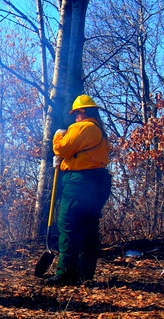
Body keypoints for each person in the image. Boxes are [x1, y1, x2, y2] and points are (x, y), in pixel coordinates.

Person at [43, 94, 112, 286]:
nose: (74, 118)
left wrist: (58, 135)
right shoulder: (100, 130)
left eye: (76, 114)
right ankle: (85, 273)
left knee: (68, 225)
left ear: (82, 112)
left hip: (80, 182)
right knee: (89, 227)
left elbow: (61, 148)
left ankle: (66, 273)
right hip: (98, 181)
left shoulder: (83, 127)